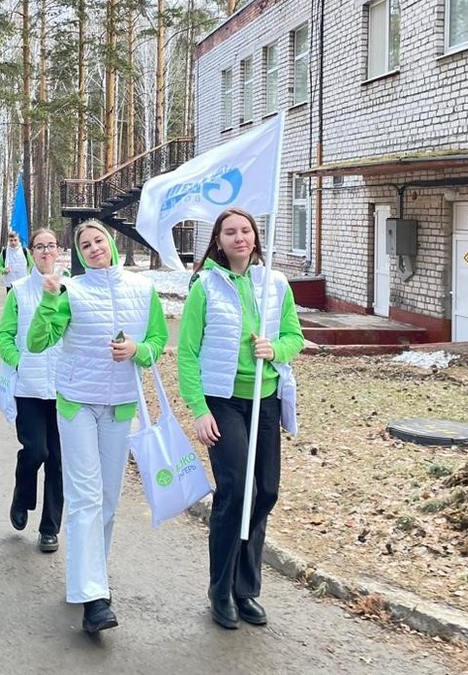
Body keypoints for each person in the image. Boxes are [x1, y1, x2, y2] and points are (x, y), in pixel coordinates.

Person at [27, 220, 168, 633]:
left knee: (108, 499)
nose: (92, 248)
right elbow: (37, 342)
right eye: (84, 244)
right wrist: (50, 301)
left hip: (121, 407)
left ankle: (93, 577)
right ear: (77, 252)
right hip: (77, 406)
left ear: (110, 241)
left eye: (98, 241)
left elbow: (158, 342)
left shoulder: (143, 291)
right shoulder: (72, 291)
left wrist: (138, 349)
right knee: (85, 497)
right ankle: (94, 596)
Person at [176, 207, 304, 630]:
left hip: (263, 399)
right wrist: (198, 409)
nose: (239, 237)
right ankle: (221, 589)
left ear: (255, 237)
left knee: (265, 491)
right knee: (235, 489)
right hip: (223, 401)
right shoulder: (205, 287)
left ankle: (245, 589)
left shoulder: (276, 284)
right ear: (218, 240)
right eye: (230, 232)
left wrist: (276, 350)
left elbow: (294, 337)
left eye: (245, 230)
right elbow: (188, 353)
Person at [0, 228, 67, 554]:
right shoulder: (20, 292)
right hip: (29, 388)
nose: (46, 252)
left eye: (51, 246)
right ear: (31, 252)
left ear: (59, 250)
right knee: (36, 451)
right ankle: (22, 495)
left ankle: (50, 528)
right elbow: (4, 336)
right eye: (39, 247)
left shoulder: (71, 291)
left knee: (59, 461)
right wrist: (19, 361)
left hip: (65, 389)